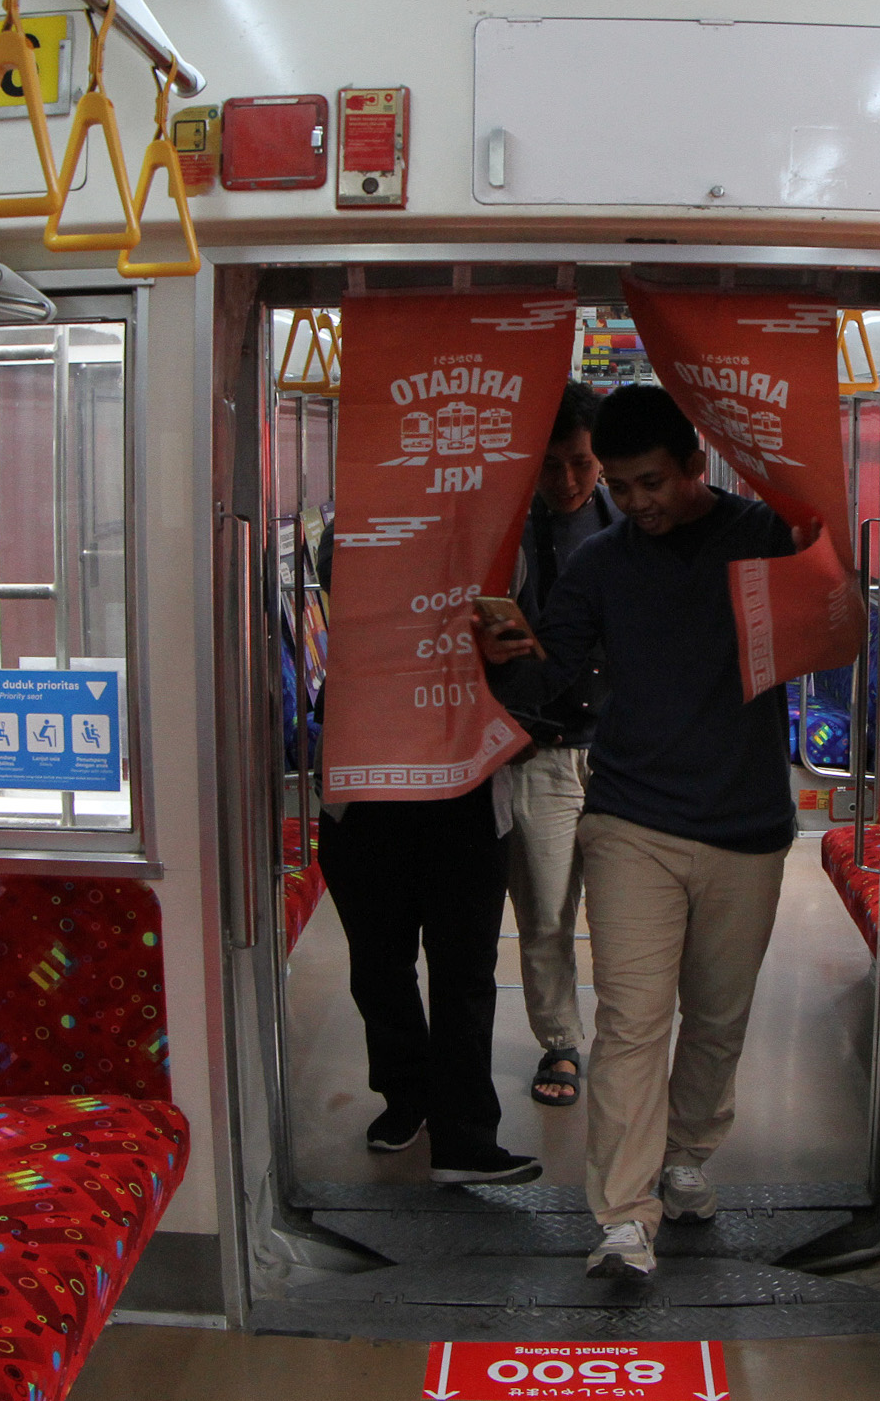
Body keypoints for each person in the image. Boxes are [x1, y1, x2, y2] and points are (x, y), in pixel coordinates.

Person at [475, 384, 798, 1278]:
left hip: (748, 825)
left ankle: (686, 1157)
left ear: (697, 465)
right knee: (630, 1023)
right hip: (631, 822)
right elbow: (552, 677)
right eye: (622, 487)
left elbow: (830, 627)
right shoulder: (602, 565)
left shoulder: (762, 538)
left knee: (719, 1020)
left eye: (652, 481)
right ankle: (622, 1216)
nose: (637, 501)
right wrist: (505, 663)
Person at [316, 541, 541, 1187]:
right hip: (367, 789)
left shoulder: (500, 538)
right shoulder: (356, 527)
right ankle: (406, 1096)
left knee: (464, 969)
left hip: (466, 787)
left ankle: (466, 1135)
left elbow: (520, 643)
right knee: (380, 964)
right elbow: (336, 572)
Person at [489, 382, 617, 1111]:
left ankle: (625, 1041)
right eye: (550, 466)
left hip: (621, 750)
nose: (568, 481)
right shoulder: (504, 539)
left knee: (627, 914)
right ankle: (562, 1042)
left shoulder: (626, 523)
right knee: (543, 912)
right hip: (539, 749)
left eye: (581, 462)